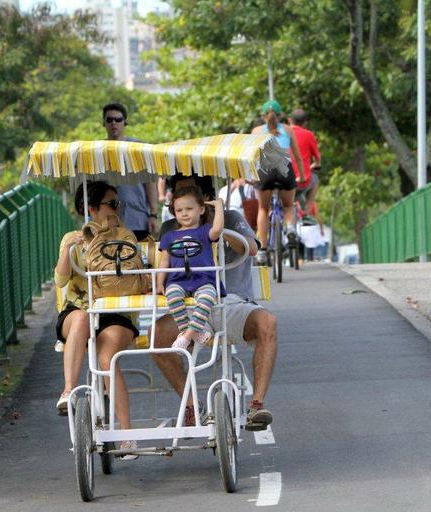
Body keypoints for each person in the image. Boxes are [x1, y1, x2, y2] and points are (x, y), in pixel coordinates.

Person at [152, 174, 277, 431]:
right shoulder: (171, 229)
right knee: (156, 337)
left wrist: (215, 227)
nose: (185, 209)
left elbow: (252, 248)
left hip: (230, 301)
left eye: (192, 196)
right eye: (180, 200)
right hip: (187, 305)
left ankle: (256, 405)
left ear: (205, 199)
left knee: (268, 323)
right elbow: (161, 264)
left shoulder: (230, 218)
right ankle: (191, 405)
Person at [54, 180, 140, 459]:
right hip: (80, 309)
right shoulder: (73, 239)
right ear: (91, 209)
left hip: (114, 312)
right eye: (111, 204)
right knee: (79, 319)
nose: (116, 209)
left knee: (107, 359)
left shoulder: (124, 237)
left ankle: (126, 436)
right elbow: (60, 280)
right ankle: (69, 390)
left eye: (118, 204)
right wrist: (69, 249)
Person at [158, 187, 224, 350]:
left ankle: (186, 335)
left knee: (208, 297)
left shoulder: (204, 231)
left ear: (201, 209)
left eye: (189, 209)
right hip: (178, 280)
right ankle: (194, 333)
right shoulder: (169, 236)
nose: (184, 213)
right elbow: (164, 262)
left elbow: (218, 229)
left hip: (203, 279)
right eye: (179, 210)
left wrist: (219, 206)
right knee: (172, 296)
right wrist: (159, 283)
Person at [251, 100, 304, 265]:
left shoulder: (256, 131)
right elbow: (297, 156)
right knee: (288, 206)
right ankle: (290, 228)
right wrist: (301, 176)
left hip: (265, 171)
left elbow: (250, 156)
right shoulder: (287, 130)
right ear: (281, 115)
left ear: (263, 115)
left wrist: (249, 176)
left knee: (263, 208)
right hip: (284, 169)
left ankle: (263, 251)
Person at [102, 102, 159, 240]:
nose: (114, 123)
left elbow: (150, 182)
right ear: (104, 123)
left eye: (118, 119)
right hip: (108, 223)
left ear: (125, 122)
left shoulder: (139, 148)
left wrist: (153, 215)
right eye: (109, 120)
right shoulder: (98, 151)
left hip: (138, 219)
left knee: (140, 260)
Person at [288, 109, 321, 210]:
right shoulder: (309, 135)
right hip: (301, 182)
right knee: (315, 178)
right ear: (305, 122)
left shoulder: (281, 133)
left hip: (281, 181)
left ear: (289, 120)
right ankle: (306, 210)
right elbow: (318, 160)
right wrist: (313, 165)